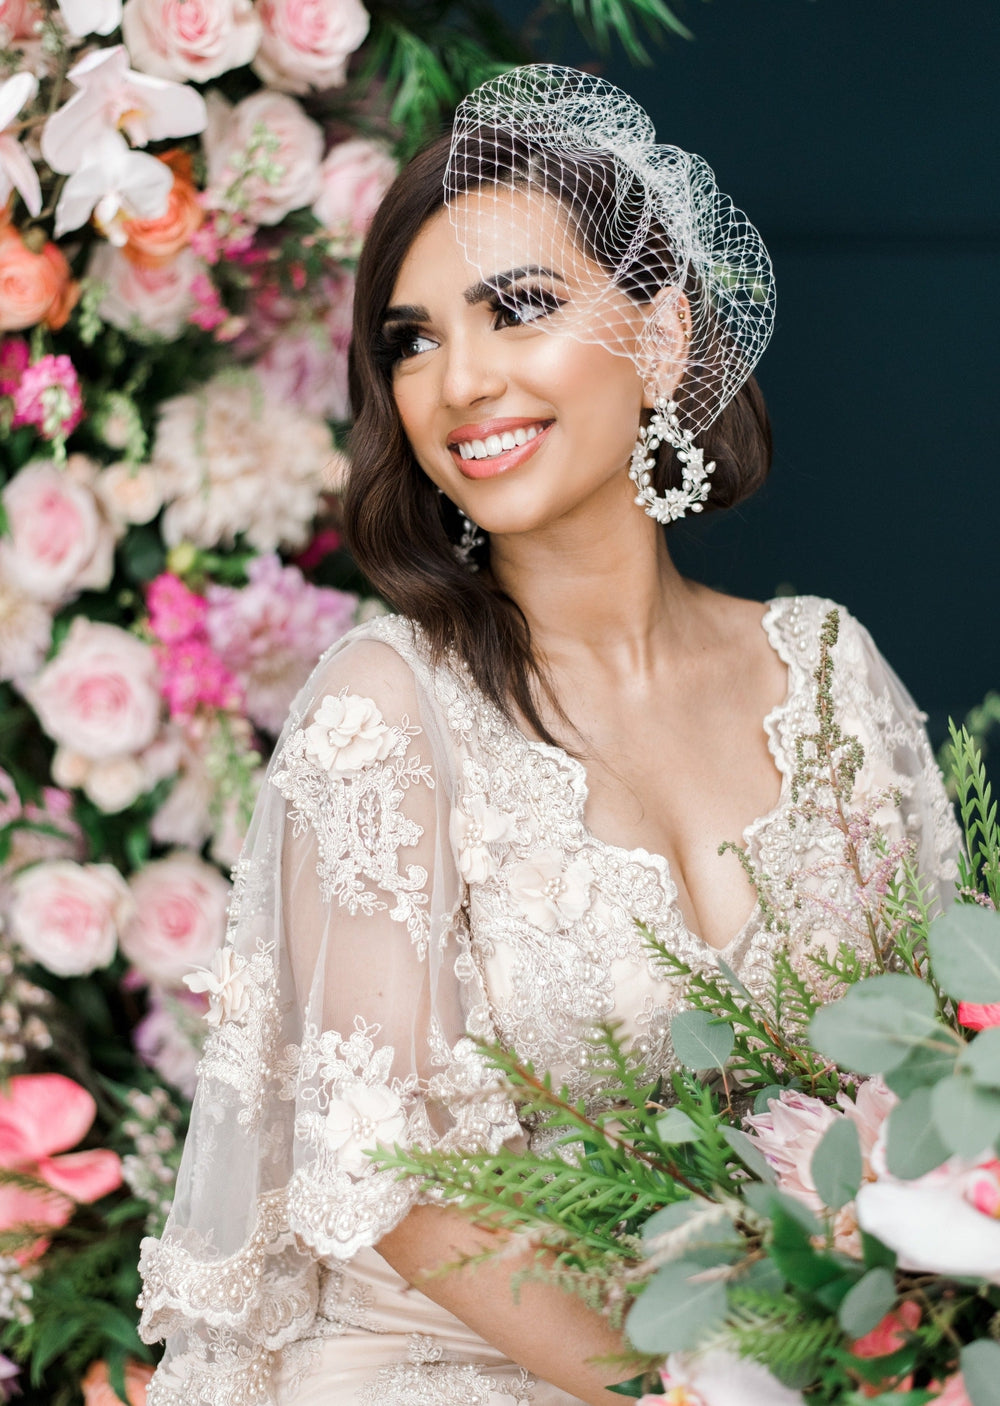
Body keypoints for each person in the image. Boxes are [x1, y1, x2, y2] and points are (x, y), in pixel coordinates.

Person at [137, 65, 959, 1406]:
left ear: (663, 331)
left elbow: (944, 1071)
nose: (459, 380)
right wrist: (699, 1390)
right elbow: (392, 1181)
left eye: (518, 308)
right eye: (409, 341)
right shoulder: (386, 705)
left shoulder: (828, 674)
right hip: (452, 1370)